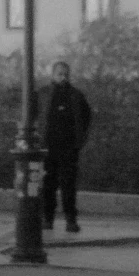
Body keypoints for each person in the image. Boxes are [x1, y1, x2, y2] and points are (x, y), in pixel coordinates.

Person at [39, 59, 92, 235]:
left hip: (69, 148)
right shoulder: (43, 93)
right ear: (53, 75)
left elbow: (86, 117)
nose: (63, 77)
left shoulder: (76, 95)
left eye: (65, 74)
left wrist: (80, 140)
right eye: (59, 74)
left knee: (68, 185)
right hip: (48, 147)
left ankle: (71, 219)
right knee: (48, 184)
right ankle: (48, 218)